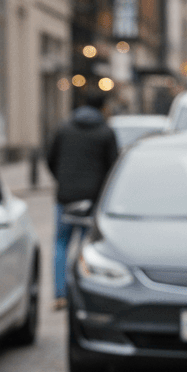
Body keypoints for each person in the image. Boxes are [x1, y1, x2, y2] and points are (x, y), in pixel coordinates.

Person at [46, 91, 119, 308]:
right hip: (93, 199)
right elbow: (113, 167)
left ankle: (60, 294)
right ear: (103, 108)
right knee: (86, 247)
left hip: (65, 198)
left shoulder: (64, 128)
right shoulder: (106, 132)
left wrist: (63, 181)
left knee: (60, 243)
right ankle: (82, 292)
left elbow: (50, 159)